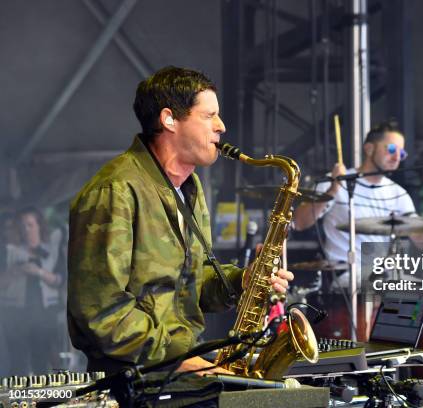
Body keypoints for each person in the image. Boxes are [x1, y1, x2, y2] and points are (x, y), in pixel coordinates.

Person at [67, 66, 293, 375]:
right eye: (209, 116)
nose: (221, 126)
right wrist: (182, 360)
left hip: (177, 366)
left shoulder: (190, 187)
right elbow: (102, 312)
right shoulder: (115, 191)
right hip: (135, 377)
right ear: (169, 119)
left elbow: (192, 281)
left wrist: (245, 280)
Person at [293, 120, 423, 287]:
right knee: (385, 287)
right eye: (391, 149)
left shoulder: (397, 194)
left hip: (380, 273)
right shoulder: (336, 180)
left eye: (402, 153)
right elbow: (299, 222)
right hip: (343, 274)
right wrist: (333, 189)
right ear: (369, 149)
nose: (397, 156)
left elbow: (418, 236)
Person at [0, 207, 63, 375]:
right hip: (15, 313)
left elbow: (60, 280)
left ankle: (45, 399)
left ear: (39, 226)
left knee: (42, 360)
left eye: (30, 225)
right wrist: (16, 271)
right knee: (17, 361)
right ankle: (17, 399)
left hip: (44, 312)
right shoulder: (7, 251)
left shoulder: (51, 250)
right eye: (22, 225)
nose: (26, 229)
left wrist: (39, 272)